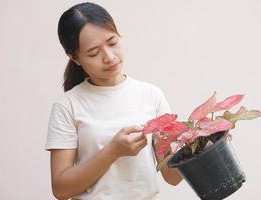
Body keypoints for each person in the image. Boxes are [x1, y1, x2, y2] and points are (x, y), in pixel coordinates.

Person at [45, 2, 182, 200]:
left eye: (112, 42)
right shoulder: (67, 105)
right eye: (93, 53)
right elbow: (61, 189)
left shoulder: (151, 95)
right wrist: (112, 152)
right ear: (74, 58)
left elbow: (172, 177)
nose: (109, 57)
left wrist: (194, 149)